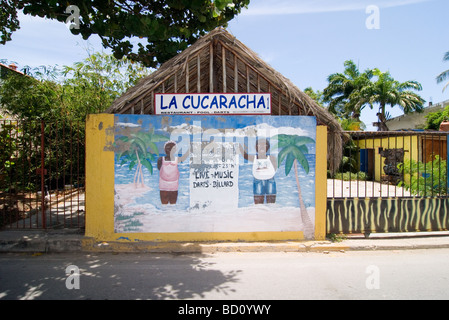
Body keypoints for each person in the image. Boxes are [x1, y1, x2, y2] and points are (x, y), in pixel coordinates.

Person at [239, 138, 277, 204]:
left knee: (271, 203)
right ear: (256, 147)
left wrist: (269, 173)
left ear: (268, 147)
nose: (262, 147)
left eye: (264, 145)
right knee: (258, 204)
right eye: (259, 145)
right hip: (258, 180)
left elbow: (275, 167)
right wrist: (240, 147)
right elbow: (245, 156)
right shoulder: (254, 158)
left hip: (270, 180)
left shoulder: (271, 158)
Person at [157, 141, 189, 205]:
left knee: (173, 203)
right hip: (163, 184)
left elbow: (185, 157)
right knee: (164, 203)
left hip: (174, 184)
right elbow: (159, 168)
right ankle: (163, 214)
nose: (170, 150)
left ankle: (173, 214)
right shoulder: (161, 159)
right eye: (168, 148)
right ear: (165, 149)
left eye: (172, 149)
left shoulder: (177, 159)